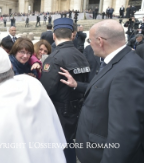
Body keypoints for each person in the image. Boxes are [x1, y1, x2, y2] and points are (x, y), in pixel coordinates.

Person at [59, 20, 144, 163]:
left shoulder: (128, 70)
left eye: (89, 40)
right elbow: (106, 92)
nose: (89, 44)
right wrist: (76, 85)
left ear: (100, 41)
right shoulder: (119, 61)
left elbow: (123, 133)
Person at [39, 18, 90, 163]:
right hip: (78, 109)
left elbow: (46, 91)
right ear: (73, 34)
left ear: (54, 35)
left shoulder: (53, 58)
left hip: (60, 113)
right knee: (69, 145)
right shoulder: (81, 55)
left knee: (59, 148)